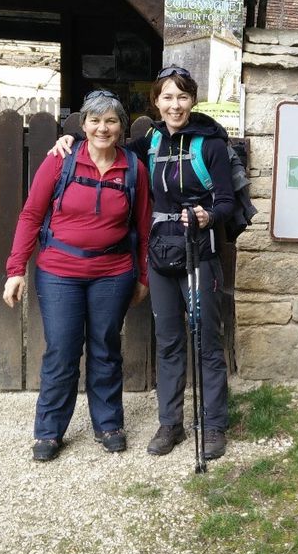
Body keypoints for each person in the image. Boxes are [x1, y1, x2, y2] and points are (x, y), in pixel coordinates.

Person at [51, 66, 234, 461]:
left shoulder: (212, 145)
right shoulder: (148, 143)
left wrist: (208, 216)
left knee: (205, 341)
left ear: (192, 100)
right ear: (156, 102)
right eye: (167, 97)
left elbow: (226, 201)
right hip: (160, 259)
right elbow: (106, 145)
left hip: (198, 254)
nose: (175, 105)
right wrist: (70, 138)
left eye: (182, 97)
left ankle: (214, 424)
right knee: (168, 343)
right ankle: (171, 424)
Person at [3, 90, 151, 462]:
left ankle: (108, 424)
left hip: (113, 272)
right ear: (83, 124)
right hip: (59, 272)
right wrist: (15, 269)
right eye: (95, 120)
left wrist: (144, 277)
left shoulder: (134, 169)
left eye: (111, 120)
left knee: (105, 348)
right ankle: (49, 431)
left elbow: (145, 228)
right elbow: (30, 216)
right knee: (62, 350)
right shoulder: (60, 161)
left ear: (121, 126)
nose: (103, 128)